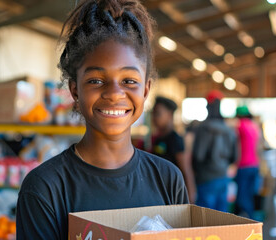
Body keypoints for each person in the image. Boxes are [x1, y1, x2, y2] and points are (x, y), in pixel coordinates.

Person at [16, 1, 189, 239]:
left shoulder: (168, 179)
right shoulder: (45, 188)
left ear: (146, 90)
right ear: (75, 91)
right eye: (96, 80)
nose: (114, 93)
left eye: (129, 81)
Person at [191, 90, 237, 212]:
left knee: (206, 219)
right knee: (222, 217)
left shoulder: (203, 129)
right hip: (223, 177)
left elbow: (198, 156)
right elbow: (234, 156)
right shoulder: (228, 130)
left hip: (205, 179)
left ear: (208, 106)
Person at [151, 96, 196, 203]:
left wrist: (190, 200)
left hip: (171, 196)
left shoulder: (175, 139)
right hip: (159, 193)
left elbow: (186, 171)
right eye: (153, 114)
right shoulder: (158, 139)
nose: (154, 118)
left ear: (170, 115)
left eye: (158, 114)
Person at [234, 106, 261, 219]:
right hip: (254, 165)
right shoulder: (254, 126)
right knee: (250, 194)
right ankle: (251, 217)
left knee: (242, 196)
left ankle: (248, 220)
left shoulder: (240, 126)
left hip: (243, 165)